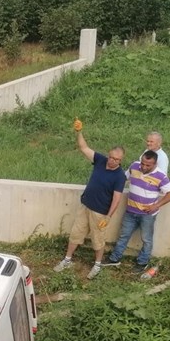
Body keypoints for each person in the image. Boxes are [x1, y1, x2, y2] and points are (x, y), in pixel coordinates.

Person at [53, 119, 126, 280]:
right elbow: (83, 147)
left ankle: (97, 265)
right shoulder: (100, 160)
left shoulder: (119, 176)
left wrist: (108, 217)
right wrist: (79, 131)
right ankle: (67, 260)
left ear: (121, 160)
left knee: (98, 239)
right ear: (108, 155)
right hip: (85, 206)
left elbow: (117, 198)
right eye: (112, 157)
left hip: (100, 213)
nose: (113, 161)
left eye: (117, 160)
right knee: (75, 233)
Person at [103, 150, 170, 277]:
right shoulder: (134, 166)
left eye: (148, 165)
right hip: (130, 211)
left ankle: (142, 263)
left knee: (146, 239)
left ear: (155, 164)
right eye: (143, 163)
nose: (144, 167)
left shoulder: (160, 176)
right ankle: (114, 259)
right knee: (123, 235)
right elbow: (123, 178)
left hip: (147, 215)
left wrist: (156, 205)